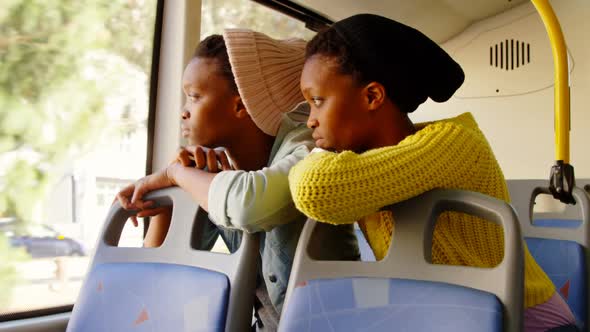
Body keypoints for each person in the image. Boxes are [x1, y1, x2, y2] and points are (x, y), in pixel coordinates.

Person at [288, 14, 579, 332]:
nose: (310, 120)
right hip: (451, 316)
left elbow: (313, 189)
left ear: (372, 96)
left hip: (530, 320)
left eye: (317, 101)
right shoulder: (362, 165)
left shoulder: (453, 142)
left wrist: (312, 154)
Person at [115, 30, 359, 325]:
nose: (183, 112)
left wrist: (174, 174)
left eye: (194, 97)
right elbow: (157, 281)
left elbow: (248, 204)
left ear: (240, 105)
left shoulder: (307, 147)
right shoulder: (213, 173)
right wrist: (169, 203)